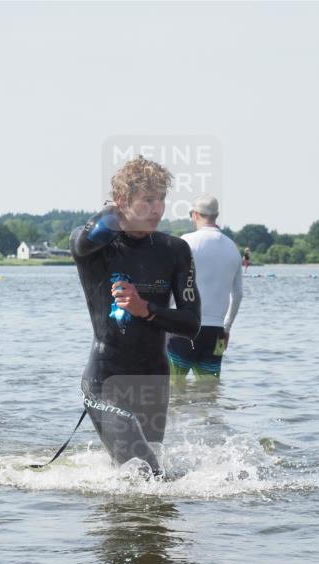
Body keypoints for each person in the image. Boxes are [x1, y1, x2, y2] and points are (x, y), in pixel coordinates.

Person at [71, 156, 201, 477]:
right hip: (106, 379)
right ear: (122, 203)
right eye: (147, 200)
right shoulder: (96, 249)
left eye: (161, 200)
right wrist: (113, 211)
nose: (157, 209)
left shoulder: (175, 250)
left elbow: (191, 325)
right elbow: (82, 238)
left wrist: (146, 310)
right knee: (146, 472)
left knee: (143, 477)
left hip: (154, 379)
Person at [168, 194, 243, 383]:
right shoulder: (232, 247)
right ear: (216, 215)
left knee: (173, 389)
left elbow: (170, 286)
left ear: (194, 214)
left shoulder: (186, 242)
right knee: (210, 391)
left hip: (183, 329)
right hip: (216, 333)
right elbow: (238, 294)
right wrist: (226, 328)